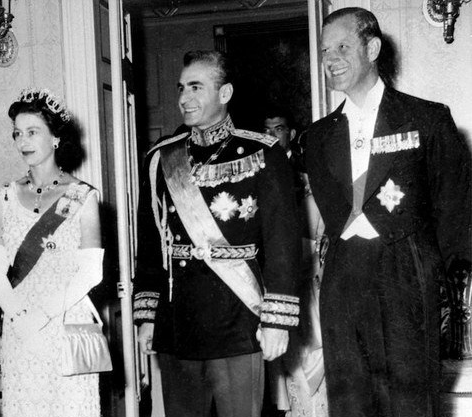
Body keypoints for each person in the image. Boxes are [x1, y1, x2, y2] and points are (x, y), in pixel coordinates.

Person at [306, 7, 471, 416]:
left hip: (407, 272)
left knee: (412, 404)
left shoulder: (426, 118)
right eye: (326, 50)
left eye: (342, 46)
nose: (331, 59)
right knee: (349, 402)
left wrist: (439, 277)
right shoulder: (318, 136)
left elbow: (455, 206)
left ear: (373, 47)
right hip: (343, 279)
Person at [133, 50, 301, 417]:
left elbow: (282, 244)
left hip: (238, 321)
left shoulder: (263, 154)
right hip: (179, 323)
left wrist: (276, 321)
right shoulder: (161, 159)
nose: (183, 98)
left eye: (196, 87)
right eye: (181, 88)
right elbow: (150, 247)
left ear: (224, 94)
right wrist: (148, 317)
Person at [0, 88, 104, 417]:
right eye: (17, 133)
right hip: (20, 324)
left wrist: (42, 315)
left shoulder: (82, 196)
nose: (23, 141)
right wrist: (21, 318)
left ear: (55, 138)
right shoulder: (6, 196)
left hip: (65, 321)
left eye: (33, 132)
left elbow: (92, 272)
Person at [263, 107, 329, 417]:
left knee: (313, 348)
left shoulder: (306, 176)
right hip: (277, 278)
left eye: (277, 128)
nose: (271, 135)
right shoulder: (257, 168)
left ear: (289, 133)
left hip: (309, 274)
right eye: (267, 129)